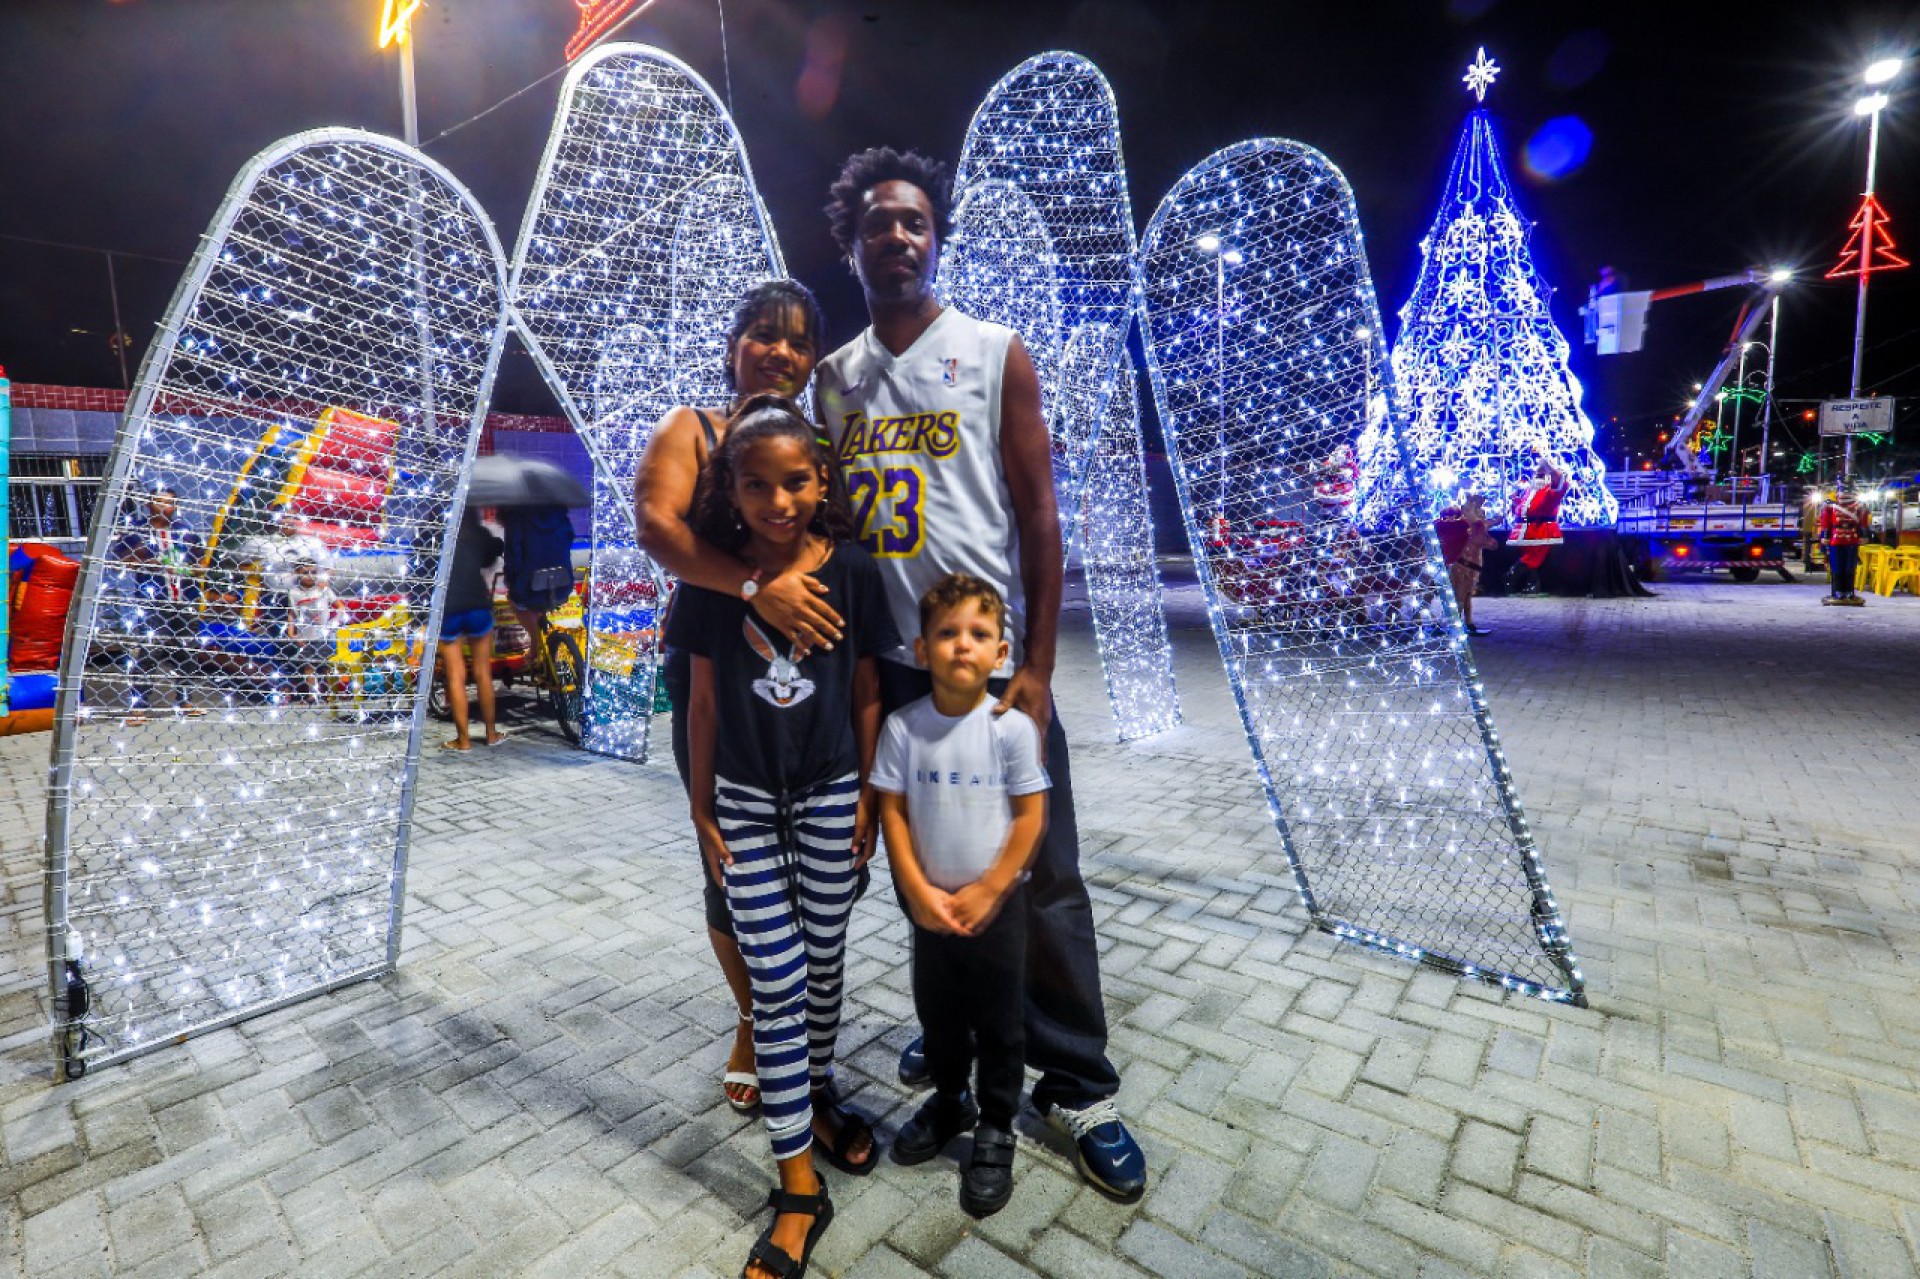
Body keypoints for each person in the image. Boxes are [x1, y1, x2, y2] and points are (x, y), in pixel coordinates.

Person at [816, 146, 1147, 1201]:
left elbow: (1042, 515)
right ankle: (955, 1051)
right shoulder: (835, 380)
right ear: (852, 242)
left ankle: (1078, 1080)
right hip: (897, 677)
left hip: (991, 666)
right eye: (879, 223)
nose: (899, 237)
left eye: (914, 221)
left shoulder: (995, 351)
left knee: (1039, 875)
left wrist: (1040, 664)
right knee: (927, 873)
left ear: (935, 235)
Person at [666, 396, 898, 1279]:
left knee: (827, 967)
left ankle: (814, 1097)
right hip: (747, 804)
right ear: (730, 487)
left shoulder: (856, 572)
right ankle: (797, 1186)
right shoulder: (714, 581)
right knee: (780, 976)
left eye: (795, 481)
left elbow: (867, 684)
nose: (777, 501)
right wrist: (701, 806)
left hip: (835, 793)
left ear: (821, 479)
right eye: (755, 484)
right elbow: (704, 700)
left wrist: (872, 790)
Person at [635, 279, 849, 1121]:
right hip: (716, 674)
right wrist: (755, 585)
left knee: (811, 859)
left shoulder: (812, 444)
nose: (781, 353)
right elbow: (658, 528)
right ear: (734, 343)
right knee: (728, 855)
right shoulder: (691, 428)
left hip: (812, 681)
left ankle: (804, 1020)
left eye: (799, 342)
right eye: (764, 334)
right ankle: (757, 1016)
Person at [872, 573, 1049, 1218]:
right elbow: (891, 811)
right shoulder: (903, 728)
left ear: (1001, 653)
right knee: (939, 1015)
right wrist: (916, 889)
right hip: (930, 911)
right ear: (922, 650)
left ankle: (996, 1124)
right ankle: (952, 1099)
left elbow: (1030, 817)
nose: (962, 645)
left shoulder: (1012, 730)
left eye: (979, 634)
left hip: (997, 911)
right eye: (947, 633)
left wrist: (993, 887)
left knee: (1001, 1024)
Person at [108, 486, 205, 722]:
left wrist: (186, 569)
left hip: (185, 599)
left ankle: (185, 700)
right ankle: (138, 705)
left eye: (169, 502)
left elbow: (202, 564)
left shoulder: (186, 532)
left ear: (176, 507)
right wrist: (147, 563)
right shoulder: (136, 532)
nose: (164, 507)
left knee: (187, 652)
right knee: (149, 652)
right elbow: (122, 558)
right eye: (159, 502)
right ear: (148, 505)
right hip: (153, 602)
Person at [437, 510, 505, 750]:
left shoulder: (431, 535)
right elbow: (490, 555)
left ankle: (463, 741)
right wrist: (494, 543)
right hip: (477, 604)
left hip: (448, 608)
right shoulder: (475, 532)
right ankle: (491, 733)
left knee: (456, 676)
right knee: (483, 672)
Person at [500, 503, 577, 636]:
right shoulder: (560, 514)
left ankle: (534, 643)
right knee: (538, 597)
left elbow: (513, 556)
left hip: (529, 589)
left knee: (516, 600)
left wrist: (510, 580)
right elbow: (568, 541)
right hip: (562, 585)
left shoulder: (516, 517)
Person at [1507, 447, 1569, 596]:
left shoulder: (1552, 491)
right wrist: (1515, 500)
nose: (1538, 477)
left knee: (1533, 558)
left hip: (1541, 529)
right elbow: (1525, 507)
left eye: (1542, 475)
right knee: (1531, 559)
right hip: (1524, 529)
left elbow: (1560, 480)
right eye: (1537, 474)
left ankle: (1510, 576)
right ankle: (1532, 585)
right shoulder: (1530, 491)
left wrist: (1548, 466)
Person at [1435, 493, 1495, 635]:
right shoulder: (1464, 526)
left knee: (1466, 596)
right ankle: (1453, 624)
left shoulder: (1463, 526)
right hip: (1461, 565)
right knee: (1461, 596)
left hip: (1464, 564)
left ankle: (1467, 623)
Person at [284, 558, 337, 702]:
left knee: (326, 666)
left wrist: (334, 623)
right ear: (297, 573)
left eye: (313, 572)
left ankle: (329, 694)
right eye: (305, 573)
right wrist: (292, 632)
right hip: (306, 635)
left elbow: (339, 606)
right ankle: (313, 694)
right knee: (308, 666)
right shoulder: (294, 593)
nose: (310, 576)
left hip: (324, 635)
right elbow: (292, 613)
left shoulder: (323, 588)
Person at [1819, 481, 1871, 606]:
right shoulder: (1830, 506)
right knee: (1837, 567)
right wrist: (1825, 536)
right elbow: (1826, 522)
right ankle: (1838, 592)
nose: (1845, 493)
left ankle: (1849, 592)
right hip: (1836, 539)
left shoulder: (1859, 506)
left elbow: (1863, 522)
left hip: (1852, 539)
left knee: (1850, 567)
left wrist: (1863, 535)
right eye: (1843, 490)